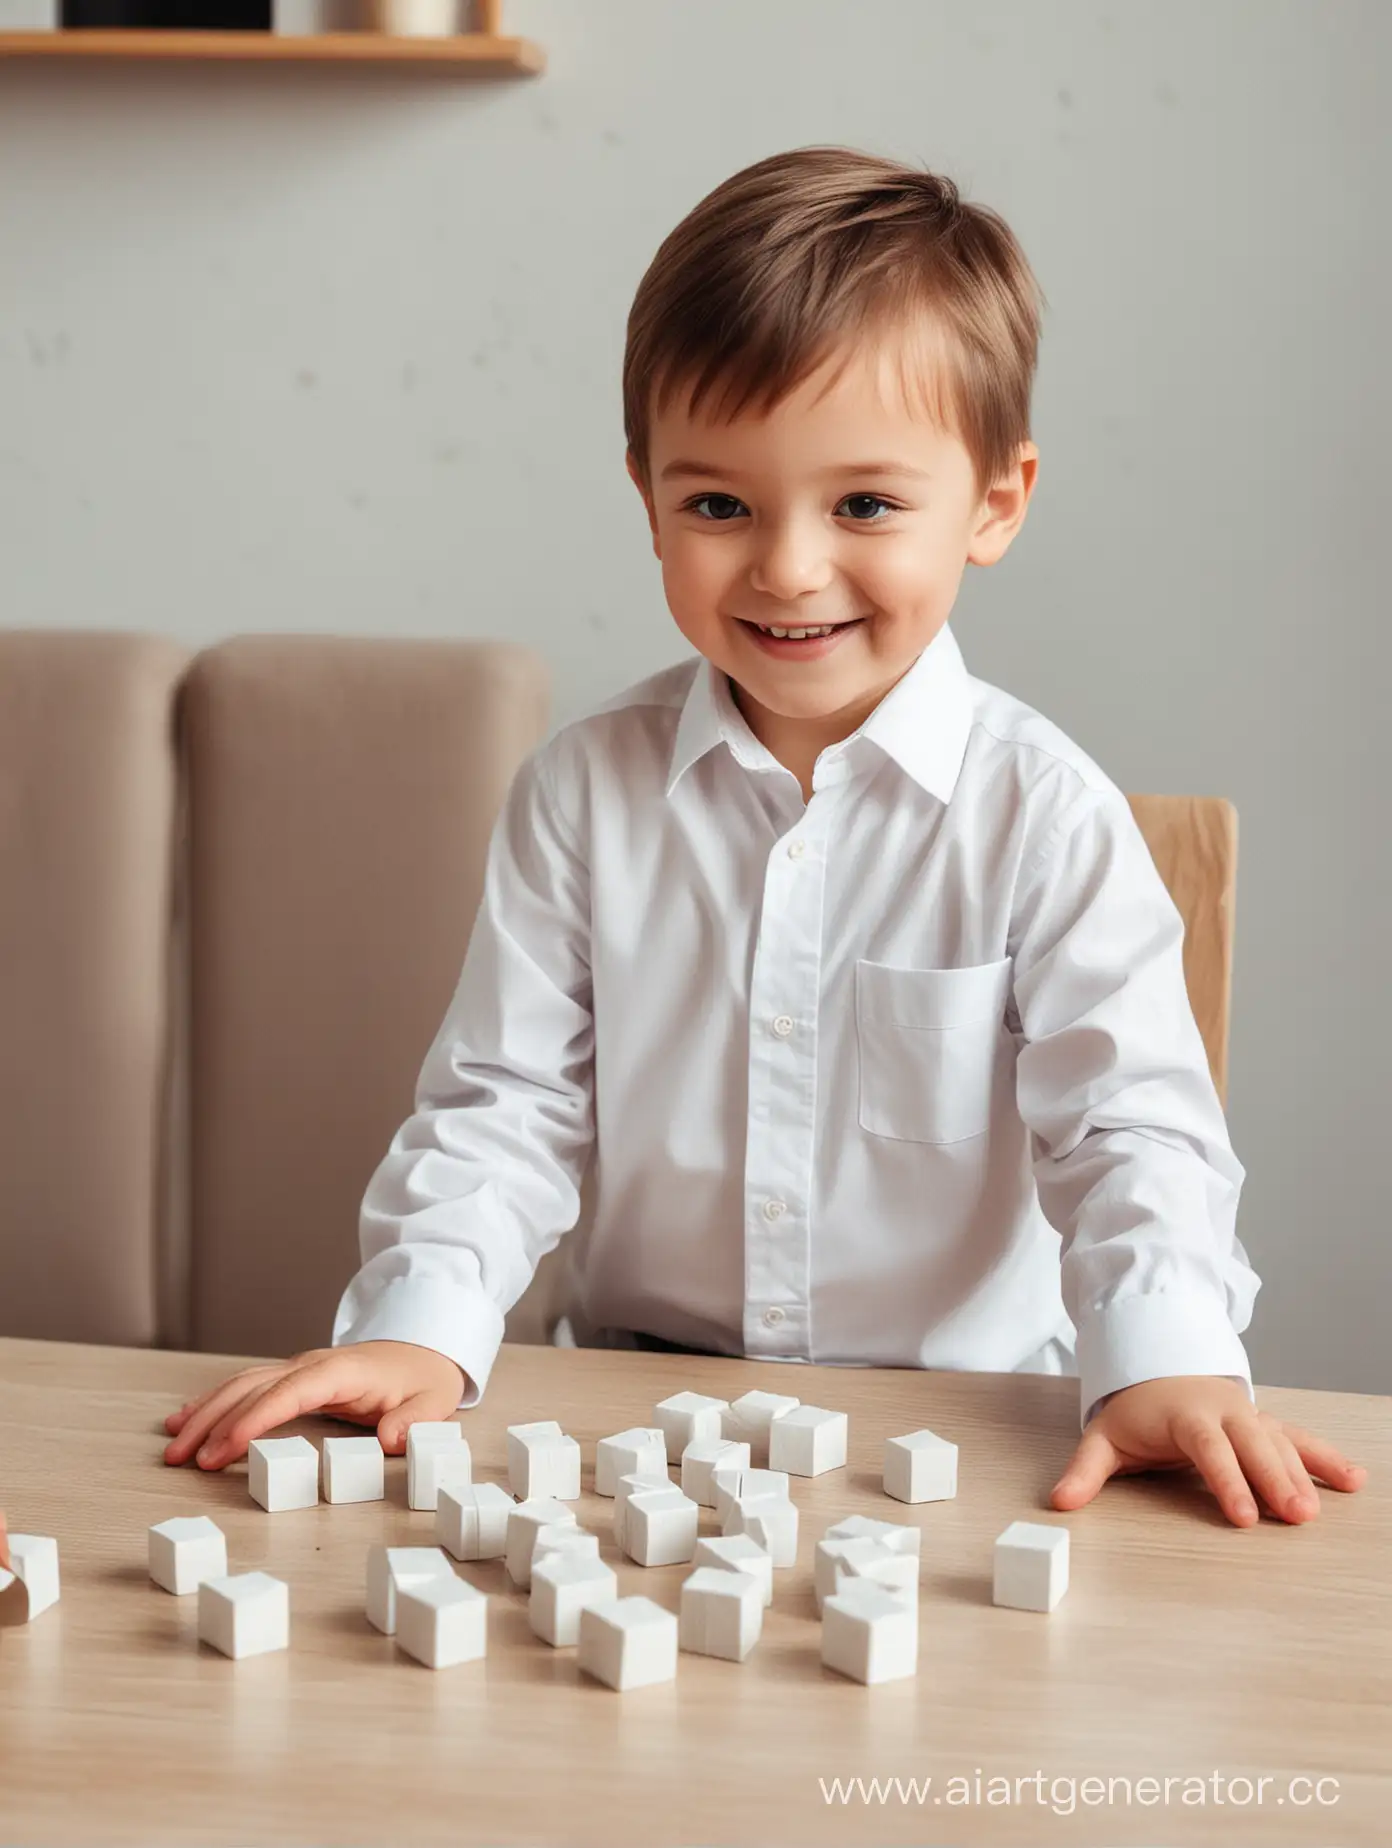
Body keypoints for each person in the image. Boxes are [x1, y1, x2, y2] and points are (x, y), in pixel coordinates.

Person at [164, 146, 1366, 1529]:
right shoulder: (580, 795)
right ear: (648, 498)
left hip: (968, 1432)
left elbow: (1128, 1129)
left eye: (864, 504)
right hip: (634, 1425)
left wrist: (1164, 1361)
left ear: (995, 500)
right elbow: (505, 1105)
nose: (789, 567)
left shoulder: (1045, 815)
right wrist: (422, 1325)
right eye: (719, 504)